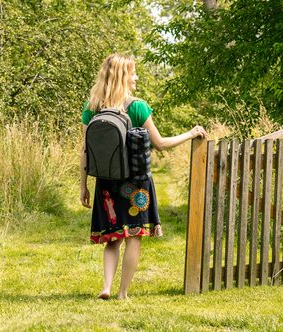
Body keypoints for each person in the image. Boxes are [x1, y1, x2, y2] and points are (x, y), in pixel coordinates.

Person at [79, 53, 207, 300]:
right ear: (123, 77)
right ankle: (122, 293)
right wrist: (190, 134)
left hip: (106, 182)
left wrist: (83, 185)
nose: (136, 77)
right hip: (136, 183)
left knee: (113, 238)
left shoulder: (92, 108)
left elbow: (84, 150)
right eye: (133, 72)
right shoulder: (137, 106)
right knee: (134, 237)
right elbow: (159, 143)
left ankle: (106, 286)